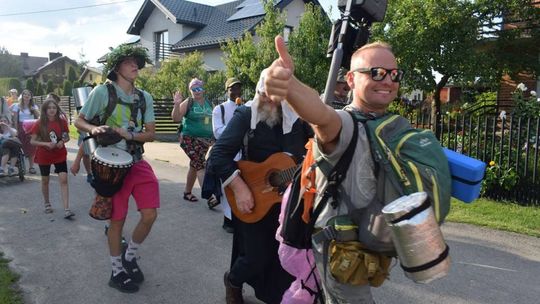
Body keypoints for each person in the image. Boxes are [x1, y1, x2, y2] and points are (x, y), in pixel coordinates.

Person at [264, 36, 406, 303]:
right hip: (338, 253)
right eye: (376, 72)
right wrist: (290, 85)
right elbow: (321, 115)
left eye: (395, 74)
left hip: (364, 250)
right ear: (351, 80)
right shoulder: (346, 122)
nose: (388, 80)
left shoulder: (387, 126)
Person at [209, 70, 313, 304]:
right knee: (256, 257)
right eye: (264, 93)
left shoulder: (298, 118)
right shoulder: (246, 115)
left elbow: (318, 146)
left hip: (292, 203)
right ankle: (233, 280)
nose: (268, 99)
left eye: (275, 94)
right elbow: (219, 154)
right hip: (254, 197)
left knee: (287, 259)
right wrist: (238, 187)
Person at [74, 43, 158, 293]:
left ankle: (130, 255)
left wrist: (129, 135)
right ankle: (116, 270)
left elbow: (151, 134)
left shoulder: (145, 97)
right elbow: (79, 120)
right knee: (117, 221)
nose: (135, 66)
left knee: (150, 214)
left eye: (137, 62)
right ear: (117, 67)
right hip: (110, 165)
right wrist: (93, 129)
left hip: (136, 161)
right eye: (129, 62)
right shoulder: (102, 92)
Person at [171, 78, 216, 205]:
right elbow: (176, 118)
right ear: (190, 91)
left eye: (199, 88)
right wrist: (176, 105)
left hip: (205, 142)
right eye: (194, 89)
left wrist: (213, 138)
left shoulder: (209, 103)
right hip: (188, 140)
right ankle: (209, 197)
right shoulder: (188, 102)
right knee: (201, 165)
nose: (197, 91)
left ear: (203, 89)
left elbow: (214, 122)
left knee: (194, 165)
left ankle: (187, 192)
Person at [29, 98, 74, 219]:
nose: (52, 110)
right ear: (45, 110)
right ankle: (47, 203)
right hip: (44, 155)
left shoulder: (62, 121)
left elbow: (66, 136)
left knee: (63, 179)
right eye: (49, 108)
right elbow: (32, 141)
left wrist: (62, 141)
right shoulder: (39, 123)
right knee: (45, 180)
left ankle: (66, 209)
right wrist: (46, 144)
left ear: (57, 109)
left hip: (59, 154)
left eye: (54, 108)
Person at [211, 77, 243, 233]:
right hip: (227, 154)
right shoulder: (220, 109)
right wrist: (236, 132)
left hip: (243, 154)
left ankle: (239, 219)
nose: (236, 91)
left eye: (238, 88)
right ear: (227, 91)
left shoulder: (245, 107)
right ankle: (228, 220)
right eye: (232, 89)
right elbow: (217, 131)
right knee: (226, 189)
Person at [10, 89, 39, 174]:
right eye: (25, 94)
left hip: (31, 127)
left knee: (31, 147)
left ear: (31, 97)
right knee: (19, 147)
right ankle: (19, 167)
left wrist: (34, 110)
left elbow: (38, 117)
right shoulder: (17, 106)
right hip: (21, 127)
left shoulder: (34, 106)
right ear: (22, 96)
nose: (26, 96)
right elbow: (15, 120)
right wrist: (16, 131)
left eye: (28, 95)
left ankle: (31, 167)